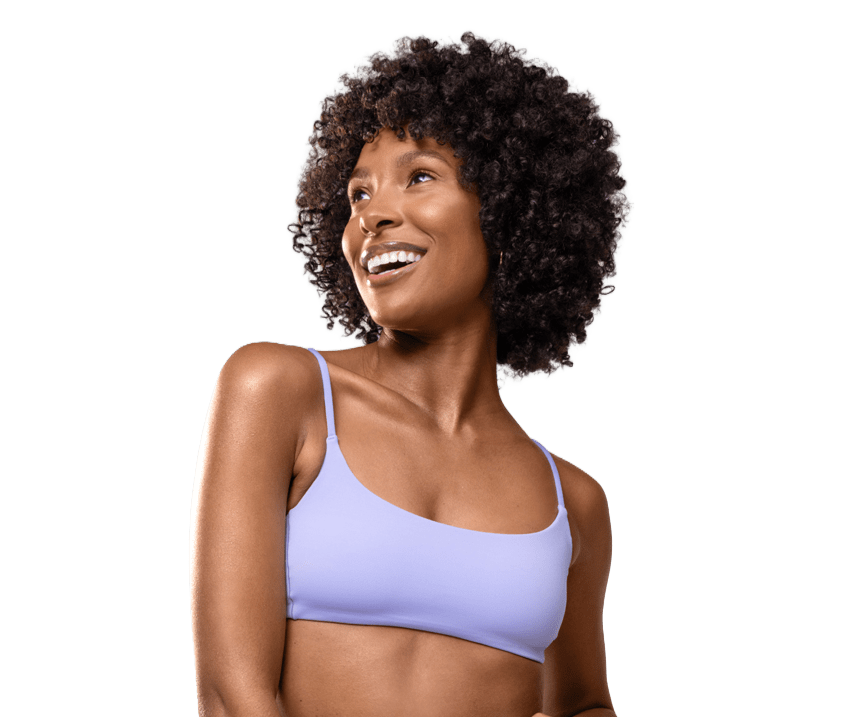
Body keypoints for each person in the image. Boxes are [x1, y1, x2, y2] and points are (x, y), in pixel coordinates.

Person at [190, 30, 632, 717]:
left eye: (419, 176)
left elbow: (582, 706)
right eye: (357, 193)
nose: (372, 214)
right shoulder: (281, 391)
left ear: (511, 210)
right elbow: (232, 697)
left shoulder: (572, 502)